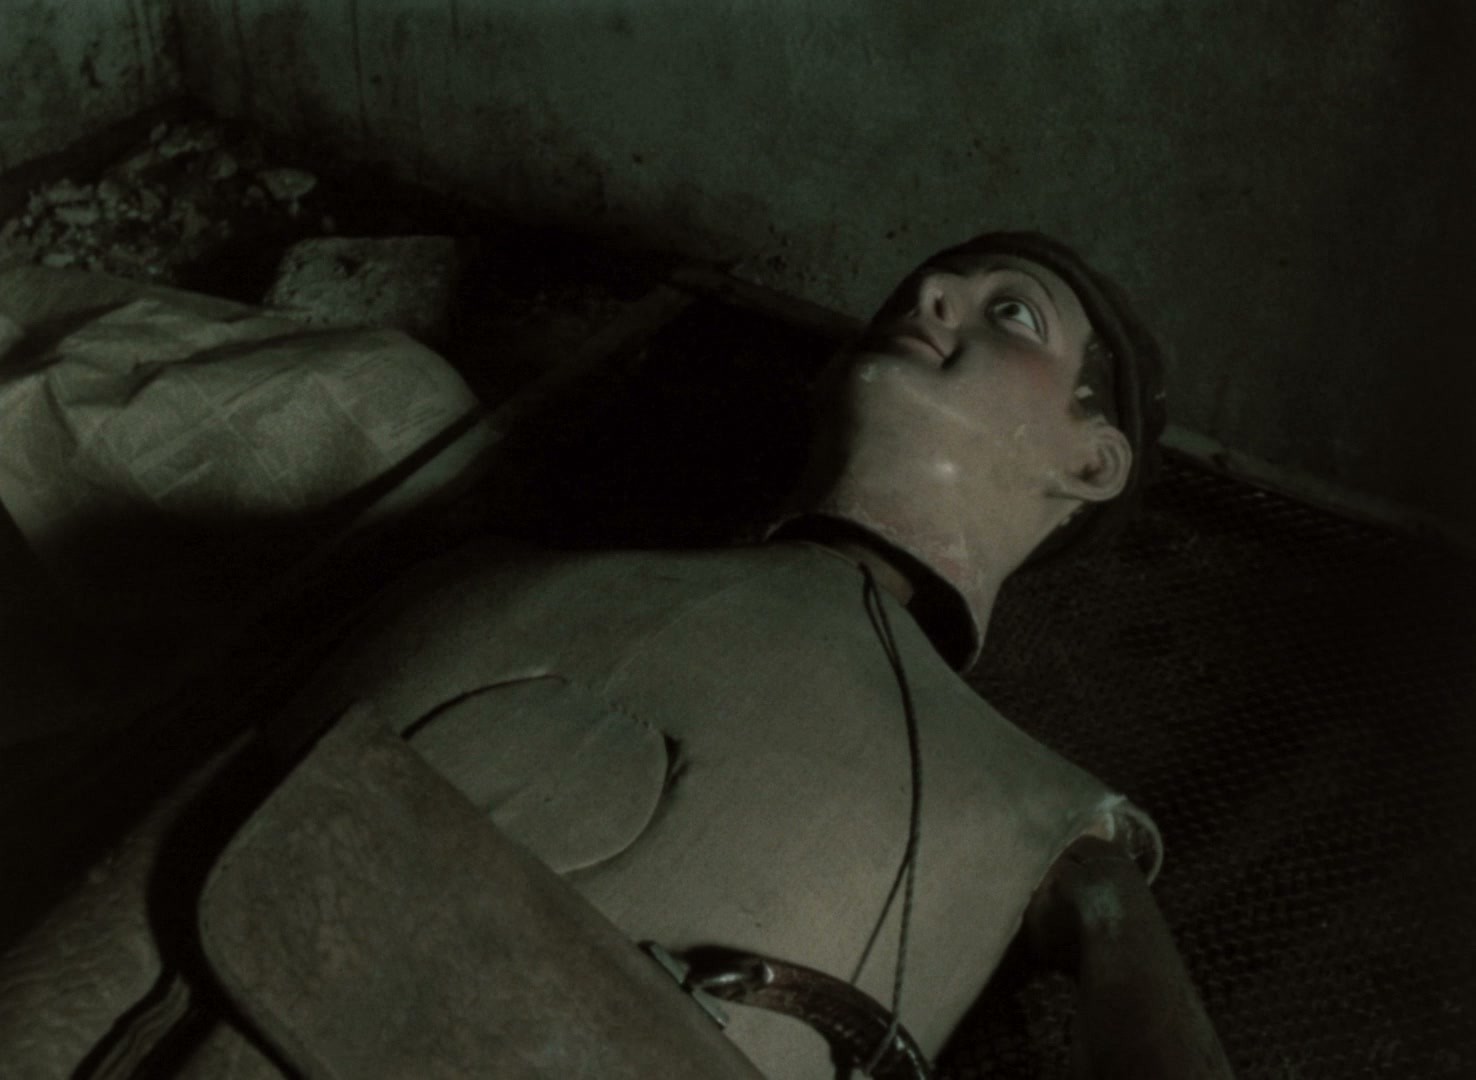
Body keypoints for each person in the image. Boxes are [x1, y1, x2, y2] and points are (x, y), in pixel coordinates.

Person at [0, 232, 1233, 1079]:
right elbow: (159, 822)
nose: (934, 303)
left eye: (1010, 311)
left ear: (1092, 460)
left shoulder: (1023, 804)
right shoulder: (490, 573)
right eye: (928, 289)